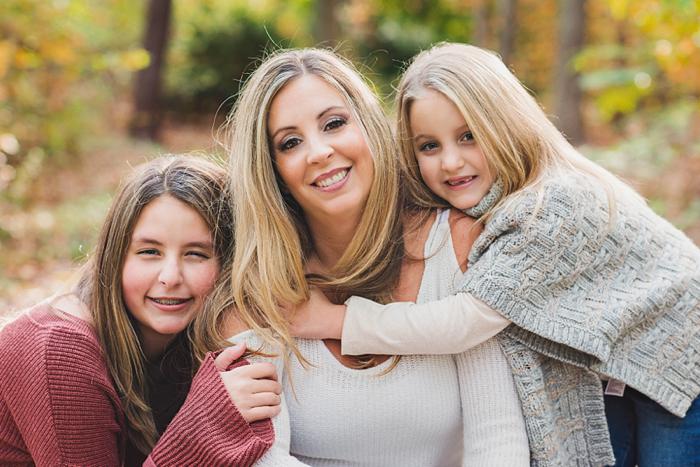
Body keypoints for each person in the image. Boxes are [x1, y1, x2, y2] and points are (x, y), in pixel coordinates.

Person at [290, 43, 700, 467]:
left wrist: (336, 320)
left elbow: (465, 322)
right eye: (428, 146)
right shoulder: (484, 207)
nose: (451, 162)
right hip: (614, 372)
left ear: (506, 124)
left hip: (681, 355)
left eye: (469, 136)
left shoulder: (551, 206)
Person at [209, 47, 614, 466]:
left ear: (368, 127)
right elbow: (262, 457)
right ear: (271, 170)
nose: (319, 152)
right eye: (290, 142)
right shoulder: (258, 296)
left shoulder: (455, 245)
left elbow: (497, 437)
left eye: (334, 124)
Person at [0, 155, 282, 466]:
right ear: (116, 257)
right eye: (149, 252)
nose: (170, 277)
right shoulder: (61, 351)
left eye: (196, 254)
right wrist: (206, 421)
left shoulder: (186, 344)